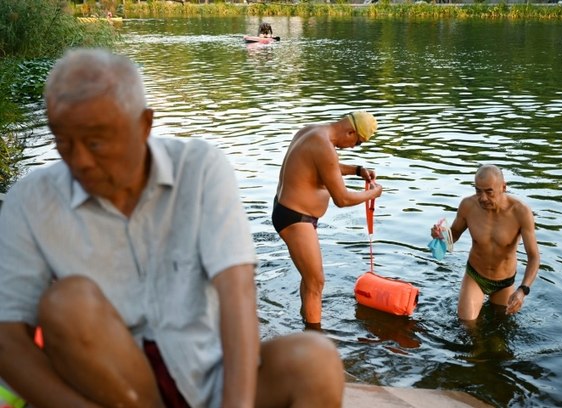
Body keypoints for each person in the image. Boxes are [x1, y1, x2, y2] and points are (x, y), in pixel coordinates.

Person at [0, 48, 344, 408]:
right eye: (63, 142)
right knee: (66, 303)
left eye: (96, 142)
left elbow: (237, 291)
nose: (80, 161)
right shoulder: (30, 200)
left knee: (315, 361)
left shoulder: (199, 169)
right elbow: (7, 337)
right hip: (113, 387)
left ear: (144, 125)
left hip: (208, 376)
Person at [273, 111, 383, 328]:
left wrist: (357, 170)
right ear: (351, 132)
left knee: (310, 279)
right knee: (316, 283)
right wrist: (374, 193)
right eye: (357, 143)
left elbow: (327, 167)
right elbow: (342, 199)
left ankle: (307, 324)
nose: (353, 147)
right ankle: (316, 341)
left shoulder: (313, 132)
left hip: (289, 212)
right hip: (296, 218)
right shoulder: (324, 146)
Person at [431, 164, 540, 322]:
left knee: (499, 332)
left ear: (503, 187)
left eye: (489, 191)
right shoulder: (467, 206)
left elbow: (534, 257)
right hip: (475, 276)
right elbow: (453, 236)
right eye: (478, 190)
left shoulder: (521, 212)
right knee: (467, 325)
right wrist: (440, 235)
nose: (482, 198)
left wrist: (523, 290)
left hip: (504, 282)